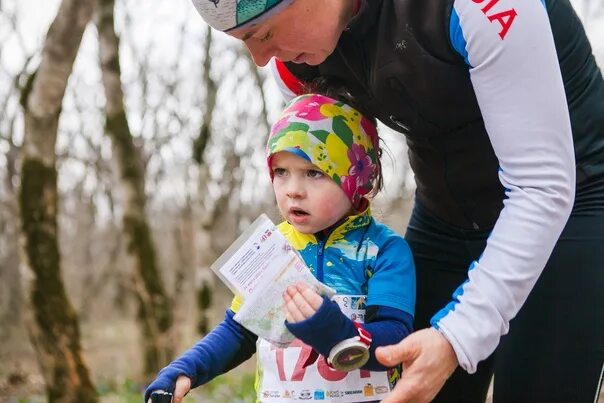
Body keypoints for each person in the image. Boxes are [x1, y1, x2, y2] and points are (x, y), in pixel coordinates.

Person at [189, 0, 604, 402]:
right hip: (447, 212)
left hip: (570, 202)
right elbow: (337, 184)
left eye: (263, 33)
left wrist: (456, 338)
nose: (261, 59)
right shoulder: (294, 64)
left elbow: (542, 185)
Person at [144, 93, 417, 403]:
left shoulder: (383, 251)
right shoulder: (270, 246)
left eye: (314, 173)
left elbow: (397, 340)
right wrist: (185, 369)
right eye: (281, 173)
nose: (293, 191)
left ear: (355, 179)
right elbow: (239, 332)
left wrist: (339, 333)